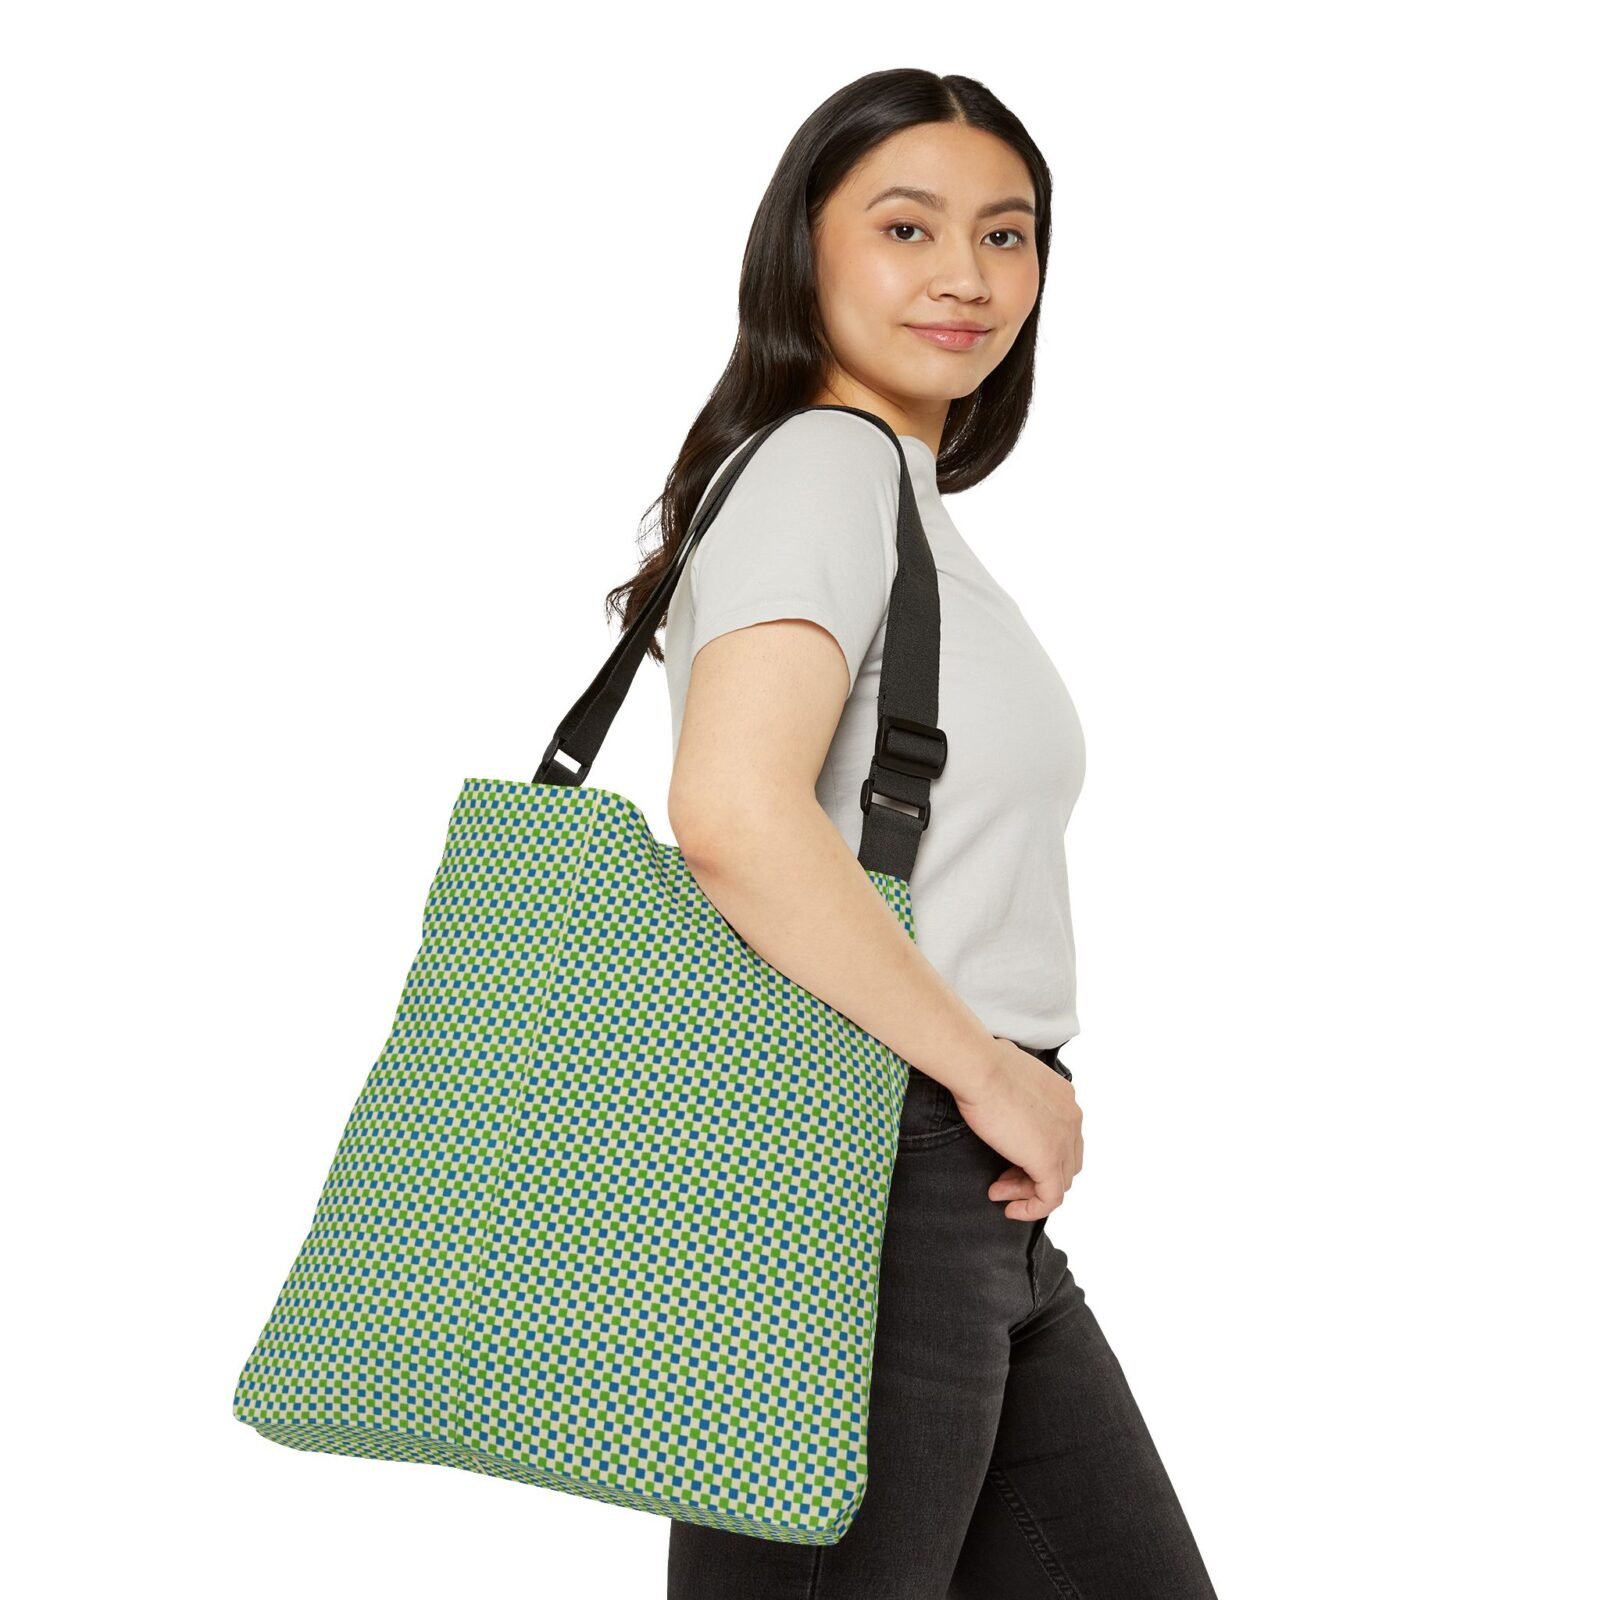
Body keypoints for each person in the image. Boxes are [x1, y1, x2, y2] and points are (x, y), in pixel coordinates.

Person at [606, 67, 1219, 1600]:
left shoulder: (894, 496)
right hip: (871, 1161)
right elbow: (732, 816)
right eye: (906, 227)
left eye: (1007, 235)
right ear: (803, 250)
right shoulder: (825, 462)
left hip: (952, 1191)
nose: (967, 275)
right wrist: (989, 1073)